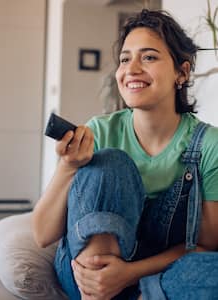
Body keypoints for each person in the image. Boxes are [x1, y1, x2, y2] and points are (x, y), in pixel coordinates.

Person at [32, 9, 218, 300]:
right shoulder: (100, 131)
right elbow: (42, 235)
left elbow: (205, 246)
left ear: (181, 73)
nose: (131, 69)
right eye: (124, 58)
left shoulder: (209, 144)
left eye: (149, 57)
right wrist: (69, 167)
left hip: (157, 276)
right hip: (87, 281)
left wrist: (130, 274)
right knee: (111, 162)